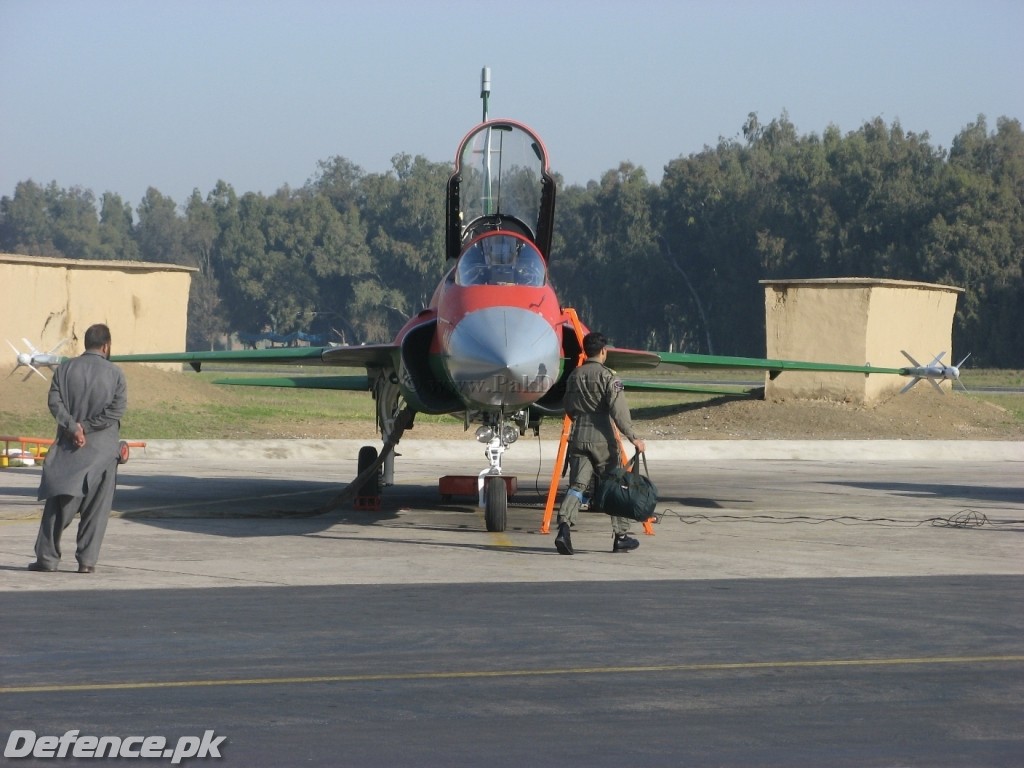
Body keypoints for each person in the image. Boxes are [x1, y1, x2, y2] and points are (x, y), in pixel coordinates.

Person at [28, 324, 127, 574]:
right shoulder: (116, 374)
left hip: (69, 451)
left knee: (58, 508)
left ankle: (47, 560)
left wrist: (73, 427)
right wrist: (88, 427)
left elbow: (54, 401)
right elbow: (115, 411)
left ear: (86, 344)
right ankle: (87, 562)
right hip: (102, 454)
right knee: (97, 511)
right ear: (106, 346)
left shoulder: (65, 368)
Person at [554, 332, 647, 555]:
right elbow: (619, 410)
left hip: (578, 435)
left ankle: (564, 528)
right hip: (602, 437)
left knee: (577, 486)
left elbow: (567, 405)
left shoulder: (575, 375)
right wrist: (633, 436)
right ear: (603, 351)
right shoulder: (609, 377)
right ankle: (621, 536)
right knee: (614, 485)